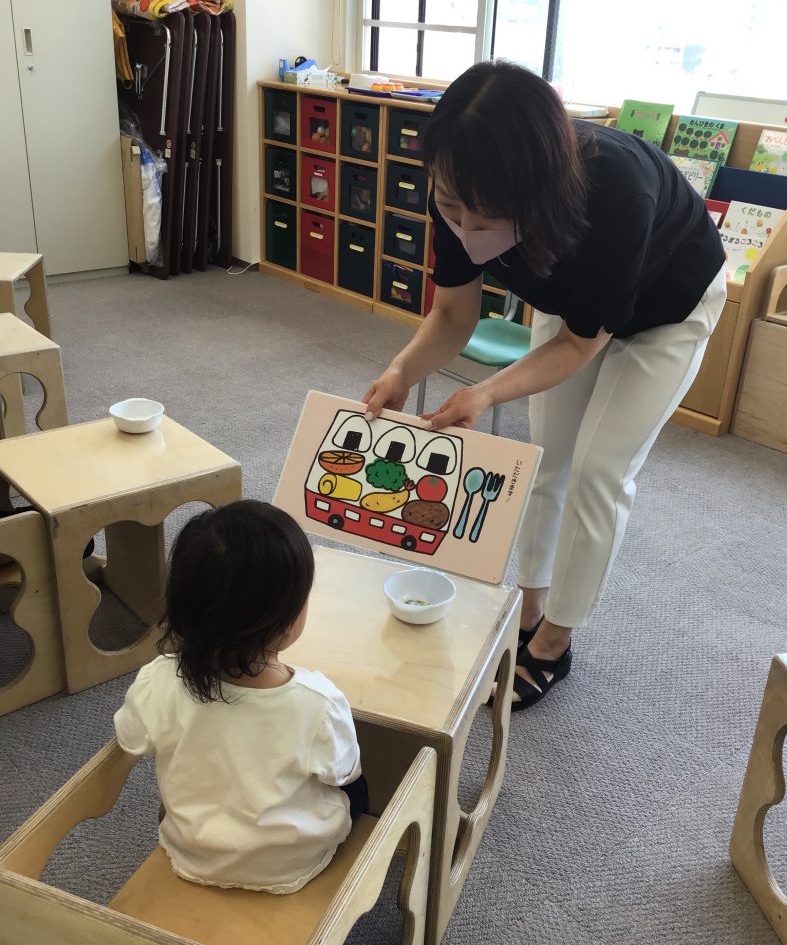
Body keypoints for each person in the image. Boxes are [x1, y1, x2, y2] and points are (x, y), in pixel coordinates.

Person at [363, 60, 726, 711]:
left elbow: (583, 343)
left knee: (597, 472)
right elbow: (452, 314)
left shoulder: (618, 191)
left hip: (667, 308)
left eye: (487, 216)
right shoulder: (456, 181)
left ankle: (555, 643)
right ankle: (529, 613)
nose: (467, 231)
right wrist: (399, 371)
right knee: (540, 463)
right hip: (570, 299)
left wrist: (485, 393)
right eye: (452, 208)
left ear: (537, 191)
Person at [114, 500, 367, 893]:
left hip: (192, 854)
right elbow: (345, 774)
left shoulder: (157, 680)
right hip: (293, 865)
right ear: (283, 621)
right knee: (359, 793)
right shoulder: (319, 701)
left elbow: (130, 739)